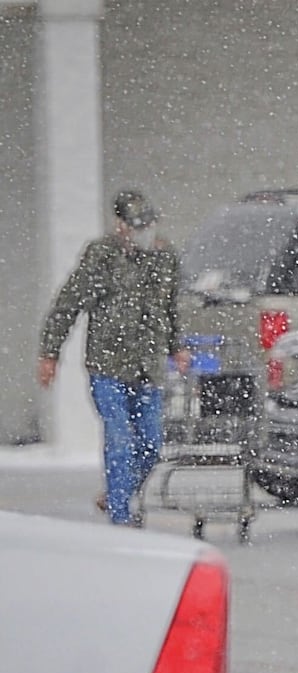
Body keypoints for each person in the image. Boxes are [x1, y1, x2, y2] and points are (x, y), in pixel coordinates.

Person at [38, 190, 189, 526]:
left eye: (149, 224)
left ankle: (118, 492)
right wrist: (50, 353)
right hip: (108, 365)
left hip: (148, 367)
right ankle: (121, 516)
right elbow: (68, 305)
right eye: (137, 225)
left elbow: (170, 308)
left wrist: (176, 346)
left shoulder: (164, 258)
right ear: (120, 225)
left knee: (151, 443)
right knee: (119, 439)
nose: (144, 232)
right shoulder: (101, 257)